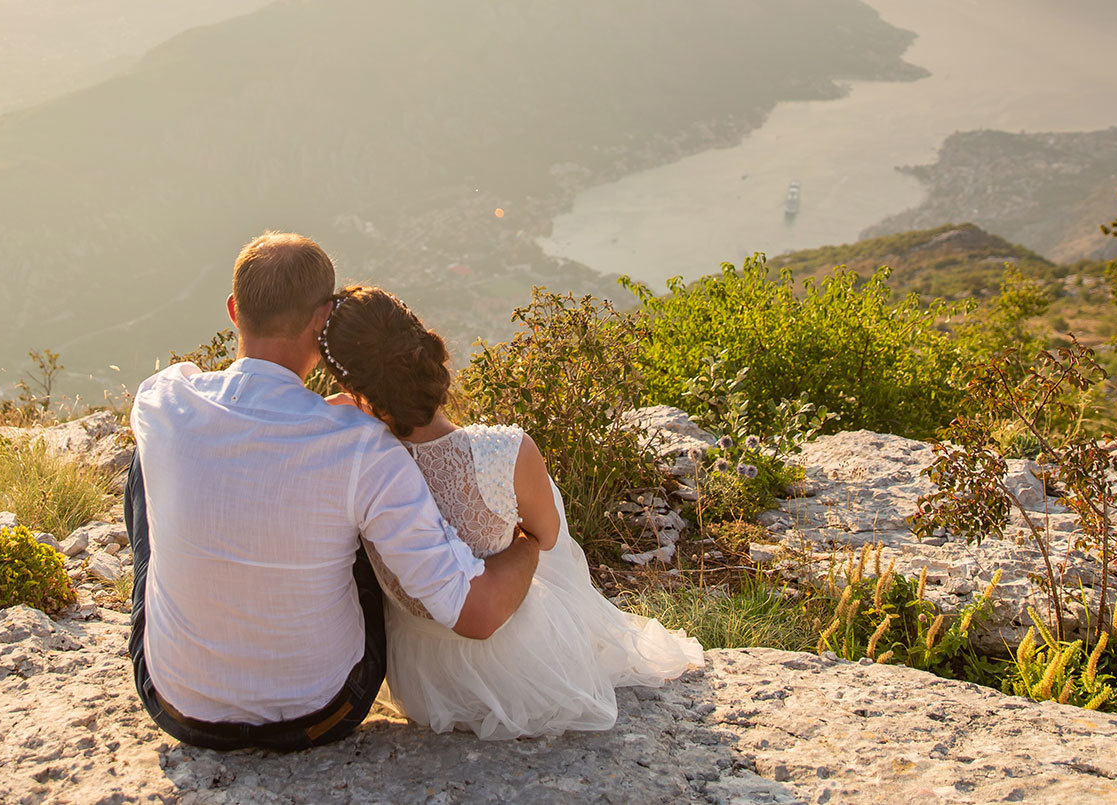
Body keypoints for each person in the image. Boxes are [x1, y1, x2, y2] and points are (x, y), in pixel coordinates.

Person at [126, 232, 542, 751]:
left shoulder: (163, 401)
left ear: (235, 311)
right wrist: (527, 544)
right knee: (354, 514)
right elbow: (477, 616)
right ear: (322, 321)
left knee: (147, 469)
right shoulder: (362, 447)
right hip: (323, 710)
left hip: (176, 704)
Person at [319, 284, 704, 739]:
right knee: (535, 526)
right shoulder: (505, 451)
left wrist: (351, 404)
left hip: (420, 675)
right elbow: (548, 536)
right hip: (517, 668)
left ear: (350, 384)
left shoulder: (345, 448)